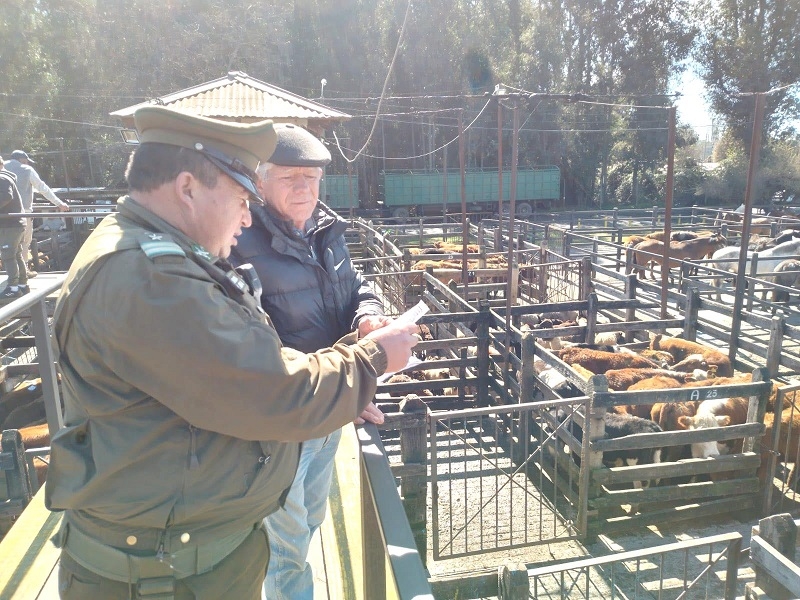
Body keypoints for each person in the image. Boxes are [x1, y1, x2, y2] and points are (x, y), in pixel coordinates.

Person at [44, 105, 419, 600]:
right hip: (166, 571)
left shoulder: (153, 254)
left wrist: (357, 343)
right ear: (187, 188)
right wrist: (370, 359)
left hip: (180, 548)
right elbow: (270, 390)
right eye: (242, 198)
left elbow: (233, 363)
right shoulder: (149, 276)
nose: (247, 215)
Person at [231, 123, 390, 600]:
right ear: (259, 183)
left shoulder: (326, 229)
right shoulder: (238, 240)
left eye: (312, 177)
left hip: (328, 407)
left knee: (307, 521)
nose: (304, 187)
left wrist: (369, 314)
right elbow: (246, 344)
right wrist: (344, 377)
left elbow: (357, 282)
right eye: (289, 177)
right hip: (283, 419)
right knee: (286, 544)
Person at [4, 149, 70, 275]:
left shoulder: (2, 167)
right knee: (23, 242)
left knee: (6, 243)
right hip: (23, 213)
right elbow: (42, 188)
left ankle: (10, 272)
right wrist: (59, 203)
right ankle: (23, 272)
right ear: (23, 160)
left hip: (4, 214)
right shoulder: (27, 170)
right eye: (27, 161)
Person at [0, 155, 28, 302]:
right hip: (16, 223)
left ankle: (13, 288)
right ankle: (22, 285)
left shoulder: (2, 179)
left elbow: (6, 197)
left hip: (10, 224)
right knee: (16, 254)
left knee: (8, 255)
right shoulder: (6, 177)